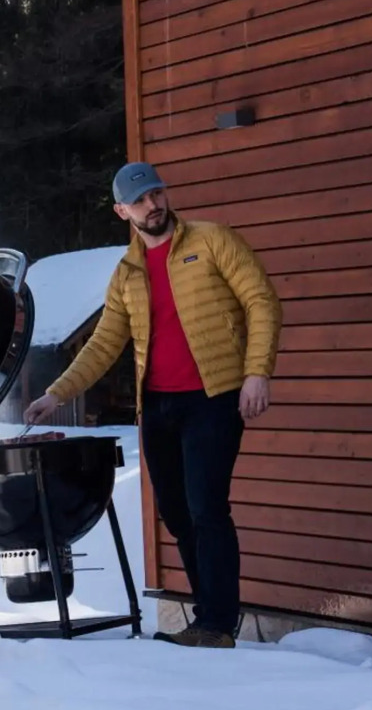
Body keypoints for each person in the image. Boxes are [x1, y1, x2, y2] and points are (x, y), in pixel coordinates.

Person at [23, 161, 281, 649]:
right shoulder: (127, 273)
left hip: (215, 396)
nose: (153, 205)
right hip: (159, 407)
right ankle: (208, 618)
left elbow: (261, 302)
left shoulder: (213, 241)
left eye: (157, 194)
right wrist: (56, 394)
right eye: (140, 200)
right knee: (179, 514)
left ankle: (218, 624)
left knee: (207, 507)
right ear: (123, 210)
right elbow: (103, 345)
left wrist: (256, 373)